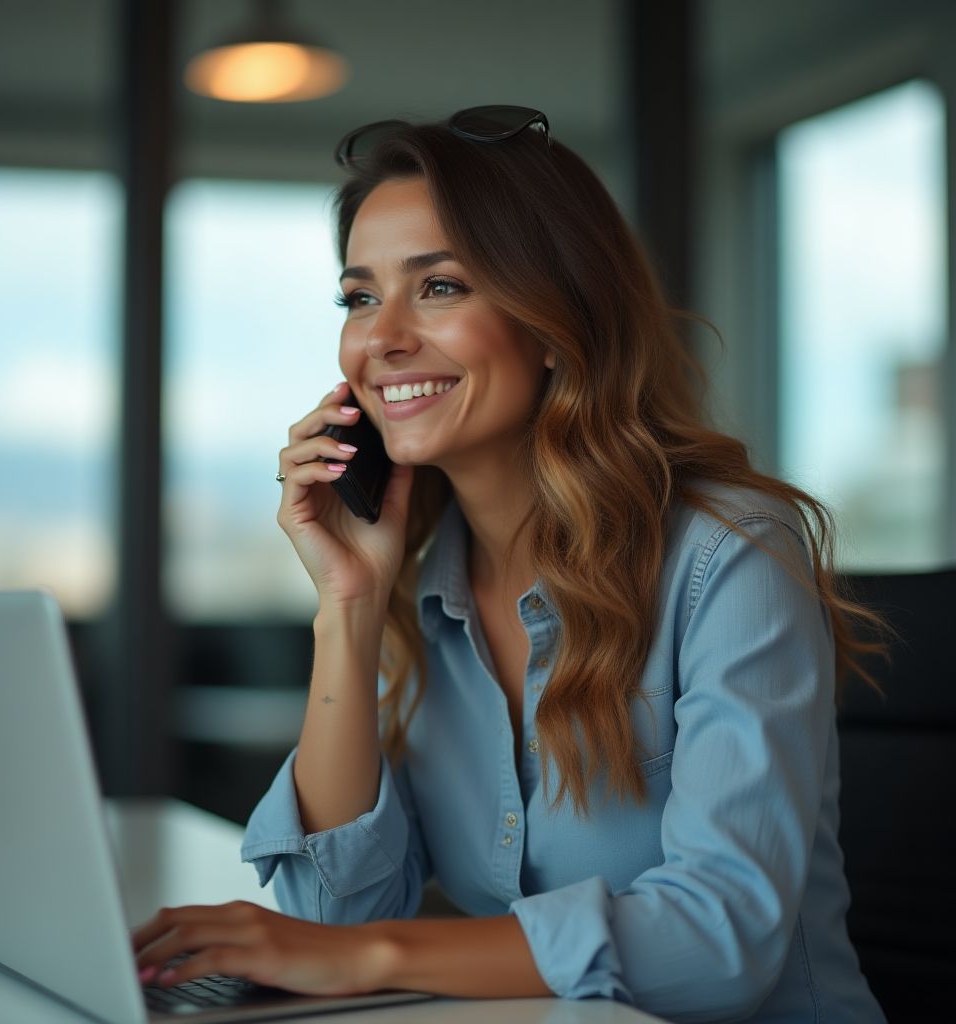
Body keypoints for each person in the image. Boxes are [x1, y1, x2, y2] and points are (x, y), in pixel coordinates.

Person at [133, 106, 887, 1022]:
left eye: (440, 287)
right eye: (360, 297)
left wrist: (366, 955)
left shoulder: (730, 554)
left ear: (553, 318)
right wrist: (349, 605)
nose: (382, 339)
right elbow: (333, 913)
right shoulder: (419, 579)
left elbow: (721, 938)